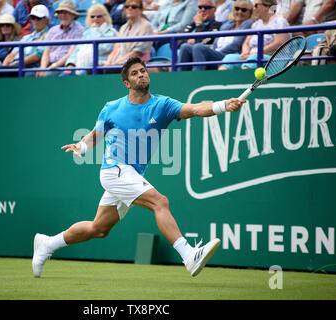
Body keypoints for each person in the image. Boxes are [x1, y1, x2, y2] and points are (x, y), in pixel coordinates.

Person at [31, 57, 246, 278]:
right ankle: (188, 255)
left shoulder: (162, 105)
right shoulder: (112, 108)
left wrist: (223, 106)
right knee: (160, 201)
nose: (141, 75)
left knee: (99, 229)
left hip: (130, 174)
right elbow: (95, 136)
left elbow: (194, 109)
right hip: (114, 171)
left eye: (143, 71)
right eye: (134, 73)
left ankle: (47, 243)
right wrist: (81, 146)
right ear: (127, 83)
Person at [179, 0, 253, 71]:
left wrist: (215, 52)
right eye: (237, 9)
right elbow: (176, 43)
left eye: (244, 10)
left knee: (199, 47)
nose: (239, 12)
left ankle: (197, 76)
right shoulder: (227, 25)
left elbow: (236, 45)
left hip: (228, 56)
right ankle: (179, 76)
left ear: (250, 13)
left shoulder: (248, 24)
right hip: (216, 53)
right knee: (185, 47)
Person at [219, 0, 290, 70]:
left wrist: (256, 53)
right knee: (230, 58)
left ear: (267, 6)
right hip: (253, 55)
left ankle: (245, 80)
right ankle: (221, 80)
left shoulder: (280, 22)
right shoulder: (256, 24)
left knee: (254, 58)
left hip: (274, 59)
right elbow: (246, 43)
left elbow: (279, 43)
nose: (254, 9)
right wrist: (245, 53)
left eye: (256, 6)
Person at [62, 3, 118, 76]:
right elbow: (77, 49)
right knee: (63, 76)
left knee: (83, 75)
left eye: (99, 16)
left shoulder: (112, 32)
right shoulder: (87, 33)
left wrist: (95, 31)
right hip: (81, 64)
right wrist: (71, 63)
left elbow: (103, 50)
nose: (95, 19)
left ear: (105, 17)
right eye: (92, 16)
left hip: (99, 65)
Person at [36, 1, 85, 77]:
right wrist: (42, 68)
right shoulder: (53, 30)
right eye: (60, 13)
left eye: (66, 12)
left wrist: (55, 65)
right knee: (29, 73)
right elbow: (46, 51)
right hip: (49, 65)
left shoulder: (79, 30)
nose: (62, 15)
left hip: (65, 65)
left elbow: (71, 54)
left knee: (49, 75)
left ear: (73, 15)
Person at [104, 0, 154, 70]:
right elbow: (115, 49)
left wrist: (116, 63)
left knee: (110, 70)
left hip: (136, 63)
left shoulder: (146, 26)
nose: (129, 8)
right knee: (93, 69)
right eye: (127, 6)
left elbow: (137, 52)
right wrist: (108, 62)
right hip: (120, 62)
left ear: (140, 10)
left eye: (134, 7)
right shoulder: (123, 27)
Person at [2, 4, 50, 71]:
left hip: (30, 68)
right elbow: (12, 53)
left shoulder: (49, 36)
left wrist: (16, 64)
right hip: (16, 66)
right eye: (33, 18)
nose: (35, 21)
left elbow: (37, 56)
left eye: (38, 18)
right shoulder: (26, 37)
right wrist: (3, 67)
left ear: (47, 20)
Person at [310, 0, 336, 65]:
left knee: (320, 51)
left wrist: (328, 50)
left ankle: (318, 74)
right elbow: (324, 43)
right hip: (328, 55)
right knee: (300, 55)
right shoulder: (335, 25)